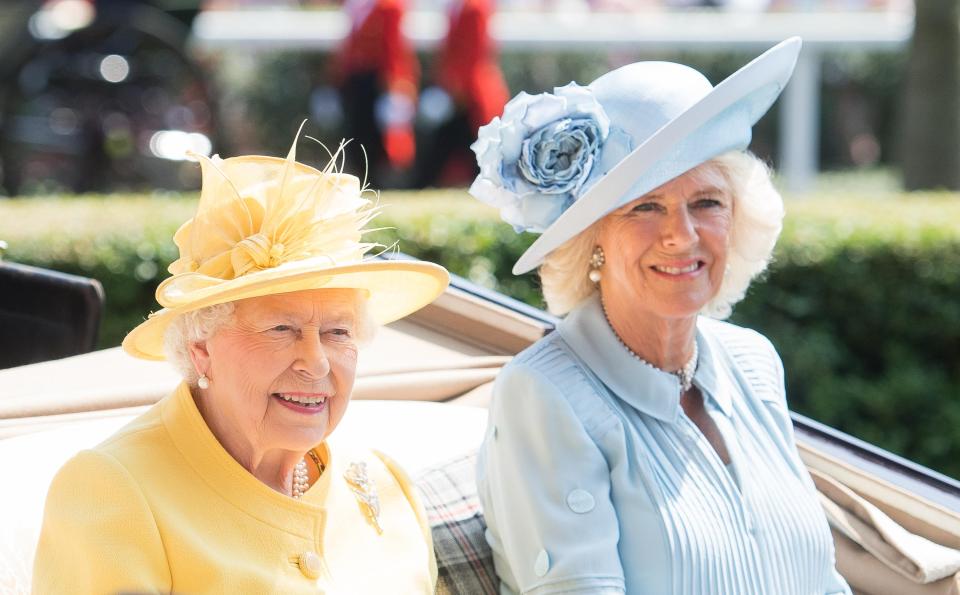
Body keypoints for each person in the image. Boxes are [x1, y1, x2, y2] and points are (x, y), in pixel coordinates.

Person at [469, 38, 852, 594]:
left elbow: (820, 581)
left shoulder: (753, 362)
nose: (681, 235)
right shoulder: (544, 394)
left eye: (707, 203)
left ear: (738, 218)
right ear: (592, 238)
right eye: (645, 206)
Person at [32, 127, 449, 593]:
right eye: (281, 330)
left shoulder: (384, 481)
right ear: (200, 348)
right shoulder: (113, 490)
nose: (316, 364)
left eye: (338, 332)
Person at [414, 0, 509, 187]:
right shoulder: (461, 7)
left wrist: (455, 88)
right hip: (460, 93)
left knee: (476, 152)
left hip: (470, 96)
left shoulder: (474, 8)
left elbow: (474, 52)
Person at [332, 0, 419, 185]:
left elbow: (394, 47)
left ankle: (377, 183)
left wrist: (397, 85)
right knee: (356, 136)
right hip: (357, 81)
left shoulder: (389, 6)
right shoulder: (359, 6)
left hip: (377, 81)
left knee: (378, 140)